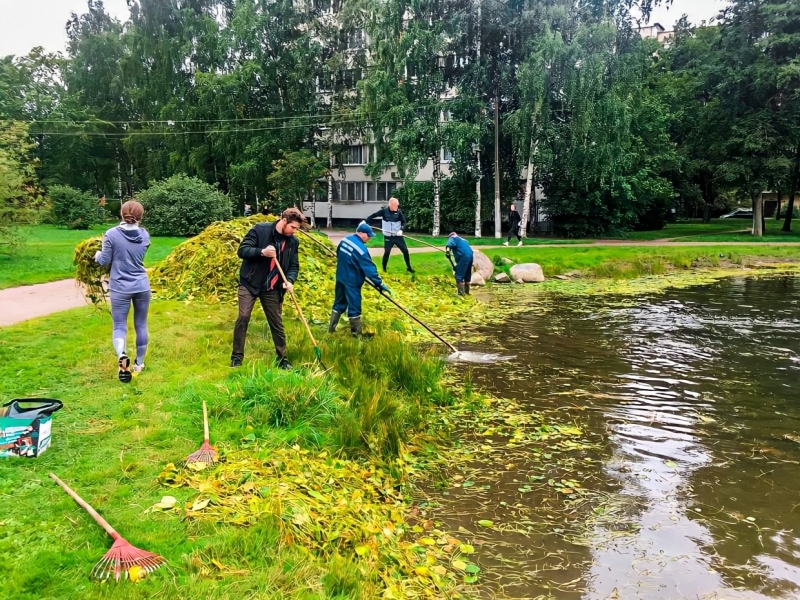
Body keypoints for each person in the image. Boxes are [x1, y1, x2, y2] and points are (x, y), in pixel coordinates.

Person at [231, 207, 305, 369]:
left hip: (272, 287)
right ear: (283, 221)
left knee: (276, 323)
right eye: (293, 227)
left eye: (297, 229)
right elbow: (242, 250)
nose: (294, 232)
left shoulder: (293, 242)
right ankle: (237, 357)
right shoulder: (260, 230)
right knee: (243, 317)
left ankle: (282, 359)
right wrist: (262, 252)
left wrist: (290, 280)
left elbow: (294, 265)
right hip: (250, 282)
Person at [95, 200, 151, 383]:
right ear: (140, 216)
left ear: (122, 214)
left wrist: (97, 255)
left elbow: (104, 260)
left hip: (120, 287)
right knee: (141, 324)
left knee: (120, 326)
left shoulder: (112, 234)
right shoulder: (145, 235)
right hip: (142, 286)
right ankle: (139, 364)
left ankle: (122, 355)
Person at [329, 221, 391, 336]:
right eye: (368, 235)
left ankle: (331, 330)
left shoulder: (344, 241)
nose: (369, 238)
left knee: (339, 303)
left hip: (340, 277)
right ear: (361, 233)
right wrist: (380, 283)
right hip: (352, 281)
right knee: (354, 306)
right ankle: (356, 335)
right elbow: (370, 269)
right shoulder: (361, 250)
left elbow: (339, 255)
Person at [365, 196, 414, 273]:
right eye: (396, 205)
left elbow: (404, 222)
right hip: (388, 237)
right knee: (387, 252)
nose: (397, 207)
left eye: (398, 205)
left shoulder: (399, 212)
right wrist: (367, 221)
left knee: (405, 251)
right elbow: (374, 215)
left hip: (398, 236)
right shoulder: (384, 212)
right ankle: (384, 269)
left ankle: (409, 268)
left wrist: (401, 229)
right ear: (391, 205)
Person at [445, 232, 474, 296]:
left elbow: (449, 244)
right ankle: (467, 293)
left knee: (458, 276)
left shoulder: (452, 237)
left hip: (464, 256)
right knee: (467, 274)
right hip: (471, 255)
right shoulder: (463, 240)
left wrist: (447, 252)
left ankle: (461, 295)